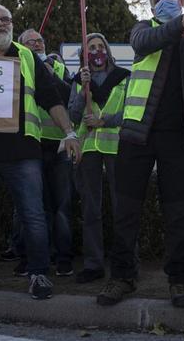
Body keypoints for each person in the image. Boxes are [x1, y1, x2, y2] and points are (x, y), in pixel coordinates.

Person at [97, 0, 184, 309]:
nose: (162, 1)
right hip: (136, 135)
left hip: (178, 138)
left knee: (178, 214)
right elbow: (145, 41)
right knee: (126, 211)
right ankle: (123, 277)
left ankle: (179, 282)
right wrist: (177, 23)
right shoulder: (143, 28)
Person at [0, 4, 80, 300]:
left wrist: (69, 132)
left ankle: (38, 274)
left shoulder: (27, 56)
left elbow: (51, 99)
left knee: (33, 215)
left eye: (5, 19)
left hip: (23, 151)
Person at [68, 32, 131, 283]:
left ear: (107, 50)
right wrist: (84, 93)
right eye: (90, 47)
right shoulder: (78, 81)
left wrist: (104, 120)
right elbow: (73, 115)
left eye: (99, 46)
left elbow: (130, 111)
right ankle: (94, 264)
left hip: (118, 147)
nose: (96, 51)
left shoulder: (125, 78)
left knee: (122, 208)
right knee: (91, 209)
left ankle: (126, 262)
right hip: (89, 148)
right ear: (84, 55)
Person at [17, 28, 74, 277]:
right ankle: (30, 257)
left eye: (39, 40)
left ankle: (63, 258)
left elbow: (70, 97)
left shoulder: (59, 68)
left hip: (58, 145)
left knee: (62, 205)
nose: (36, 44)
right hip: (30, 145)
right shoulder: (17, 68)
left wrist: (50, 76)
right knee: (30, 207)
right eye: (29, 42)